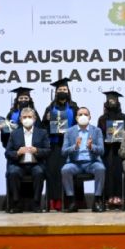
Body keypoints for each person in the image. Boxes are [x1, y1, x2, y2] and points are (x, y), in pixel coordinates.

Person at [41, 78, 78, 210]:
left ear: (68, 91)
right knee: (52, 172)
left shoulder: (74, 107)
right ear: (56, 92)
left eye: (64, 89)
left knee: (65, 172)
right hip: (53, 145)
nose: (62, 91)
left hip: (68, 145)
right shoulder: (50, 108)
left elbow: (78, 125)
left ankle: (65, 200)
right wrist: (46, 120)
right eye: (60, 90)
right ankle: (53, 200)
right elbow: (42, 127)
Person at [4, 107, 50, 213]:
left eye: (29, 117)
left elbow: (47, 151)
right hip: (18, 164)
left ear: (34, 119)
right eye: (24, 117)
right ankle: (16, 203)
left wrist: (37, 150)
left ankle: (36, 203)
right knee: (13, 172)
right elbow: (7, 153)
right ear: (20, 119)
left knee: (39, 172)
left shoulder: (42, 133)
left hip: (36, 164)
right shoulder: (14, 133)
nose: (27, 119)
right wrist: (17, 153)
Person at [60, 107, 106, 213]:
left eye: (85, 114)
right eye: (80, 114)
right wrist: (75, 147)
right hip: (74, 163)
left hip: (92, 162)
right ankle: (71, 201)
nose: (83, 116)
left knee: (101, 168)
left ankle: (97, 201)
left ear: (90, 117)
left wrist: (91, 147)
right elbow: (63, 151)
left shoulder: (97, 131)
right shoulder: (69, 131)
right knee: (65, 170)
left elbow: (101, 151)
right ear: (76, 118)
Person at [96, 91, 125, 207]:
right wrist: (104, 139)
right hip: (107, 151)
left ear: (118, 102)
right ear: (106, 102)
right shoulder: (102, 119)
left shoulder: (124, 117)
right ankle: (109, 198)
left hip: (121, 150)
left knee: (121, 170)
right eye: (109, 100)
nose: (112, 102)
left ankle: (123, 197)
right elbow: (98, 134)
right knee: (108, 171)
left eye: (114, 100)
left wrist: (123, 138)